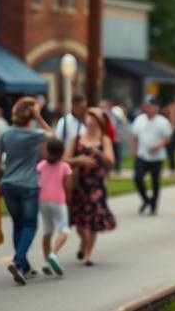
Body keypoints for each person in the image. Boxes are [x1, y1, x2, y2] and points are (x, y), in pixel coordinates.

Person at [0, 96, 54, 284]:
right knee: (30, 225)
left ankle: (24, 267)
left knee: (18, 224)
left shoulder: (6, 134)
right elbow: (53, 135)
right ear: (31, 114)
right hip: (28, 185)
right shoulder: (34, 134)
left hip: (9, 184)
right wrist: (39, 118)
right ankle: (18, 261)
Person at [67, 108, 116, 265]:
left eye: (95, 118)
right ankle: (84, 241)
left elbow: (111, 160)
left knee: (94, 219)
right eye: (89, 117)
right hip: (79, 183)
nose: (92, 120)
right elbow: (64, 159)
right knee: (80, 220)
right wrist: (79, 160)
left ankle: (88, 253)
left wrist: (99, 153)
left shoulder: (105, 139)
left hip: (97, 184)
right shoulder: (76, 139)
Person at [131, 95, 173, 215]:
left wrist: (158, 145)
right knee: (137, 177)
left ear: (156, 108)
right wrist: (134, 151)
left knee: (155, 181)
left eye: (151, 106)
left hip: (156, 157)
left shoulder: (162, 122)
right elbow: (134, 136)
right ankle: (146, 199)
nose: (149, 109)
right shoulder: (139, 120)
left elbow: (167, 138)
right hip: (142, 155)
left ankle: (154, 205)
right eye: (147, 106)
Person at [37, 138, 72, 276]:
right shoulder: (64, 166)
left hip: (43, 200)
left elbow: (38, 180)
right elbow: (68, 186)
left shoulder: (41, 165)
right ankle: (54, 254)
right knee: (64, 230)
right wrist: (69, 198)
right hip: (58, 200)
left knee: (47, 230)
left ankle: (46, 262)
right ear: (62, 152)